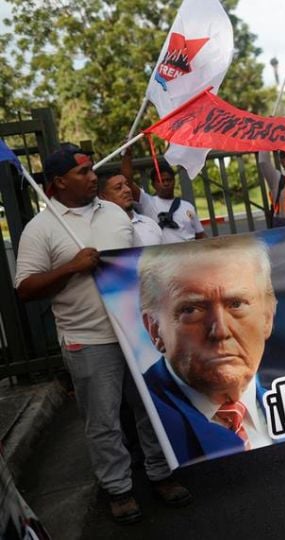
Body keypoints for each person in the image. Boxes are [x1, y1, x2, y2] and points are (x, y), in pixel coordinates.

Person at [14, 146, 191, 525]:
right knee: (104, 420)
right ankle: (119, 489)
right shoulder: (40, 229)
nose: (92, 177)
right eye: (82, 172)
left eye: (92, 170)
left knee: (149, 408)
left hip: (137, 332)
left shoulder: (113, 213)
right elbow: (25, 289)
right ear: (59, 182)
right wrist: (72, 268)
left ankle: (160, 473)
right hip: (89, 339)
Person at [138, 235, 285, 465]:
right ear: (155, 329)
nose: (220, 331)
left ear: (268, 317)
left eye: (236, 304)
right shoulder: (147, 417)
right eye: (192, 310)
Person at [122, 152, 206, 244]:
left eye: (168, 180)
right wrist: (127, 155)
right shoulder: (147, 202)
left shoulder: (188, 207)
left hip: (189, 253)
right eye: (160, 181)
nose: (165, 183)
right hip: (162, 255)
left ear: (174, 181)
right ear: (153, 184)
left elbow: (200, 235)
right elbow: (128, 181)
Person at [97, 173, 163, 246]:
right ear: (103, 196)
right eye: (118, 187)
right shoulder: (99, 229)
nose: (128, 190)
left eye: (127, 185)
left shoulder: (150, 223)